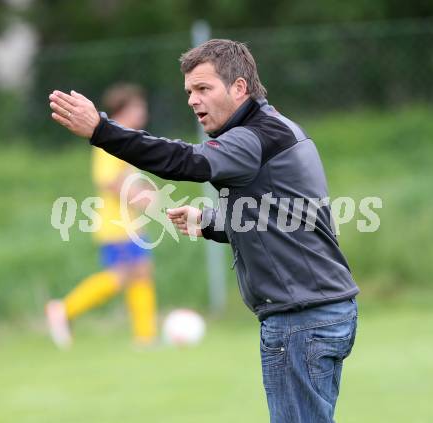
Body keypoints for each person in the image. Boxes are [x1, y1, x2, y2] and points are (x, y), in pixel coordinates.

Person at [49, 39, 359, 422]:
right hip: (325, 310)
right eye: (189, 92)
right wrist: (210, 222)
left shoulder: (251, 137)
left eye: (204, 89)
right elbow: (280, 217)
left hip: (301, 320)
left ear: (240, 88)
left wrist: (102, 130)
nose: (194, 100)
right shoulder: (279, 128)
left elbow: (185, 160)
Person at [46, 83, 157, 349]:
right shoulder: (110, 138)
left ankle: (146, 337)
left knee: (140, 273)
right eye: (138, 107)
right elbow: (108, 180)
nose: (143, 112)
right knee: (121, 275)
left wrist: (144, 193)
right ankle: (64, 309)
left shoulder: (126, 137)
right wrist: (139, 197)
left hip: (129, 224)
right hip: (116, 224)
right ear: (125, 109)